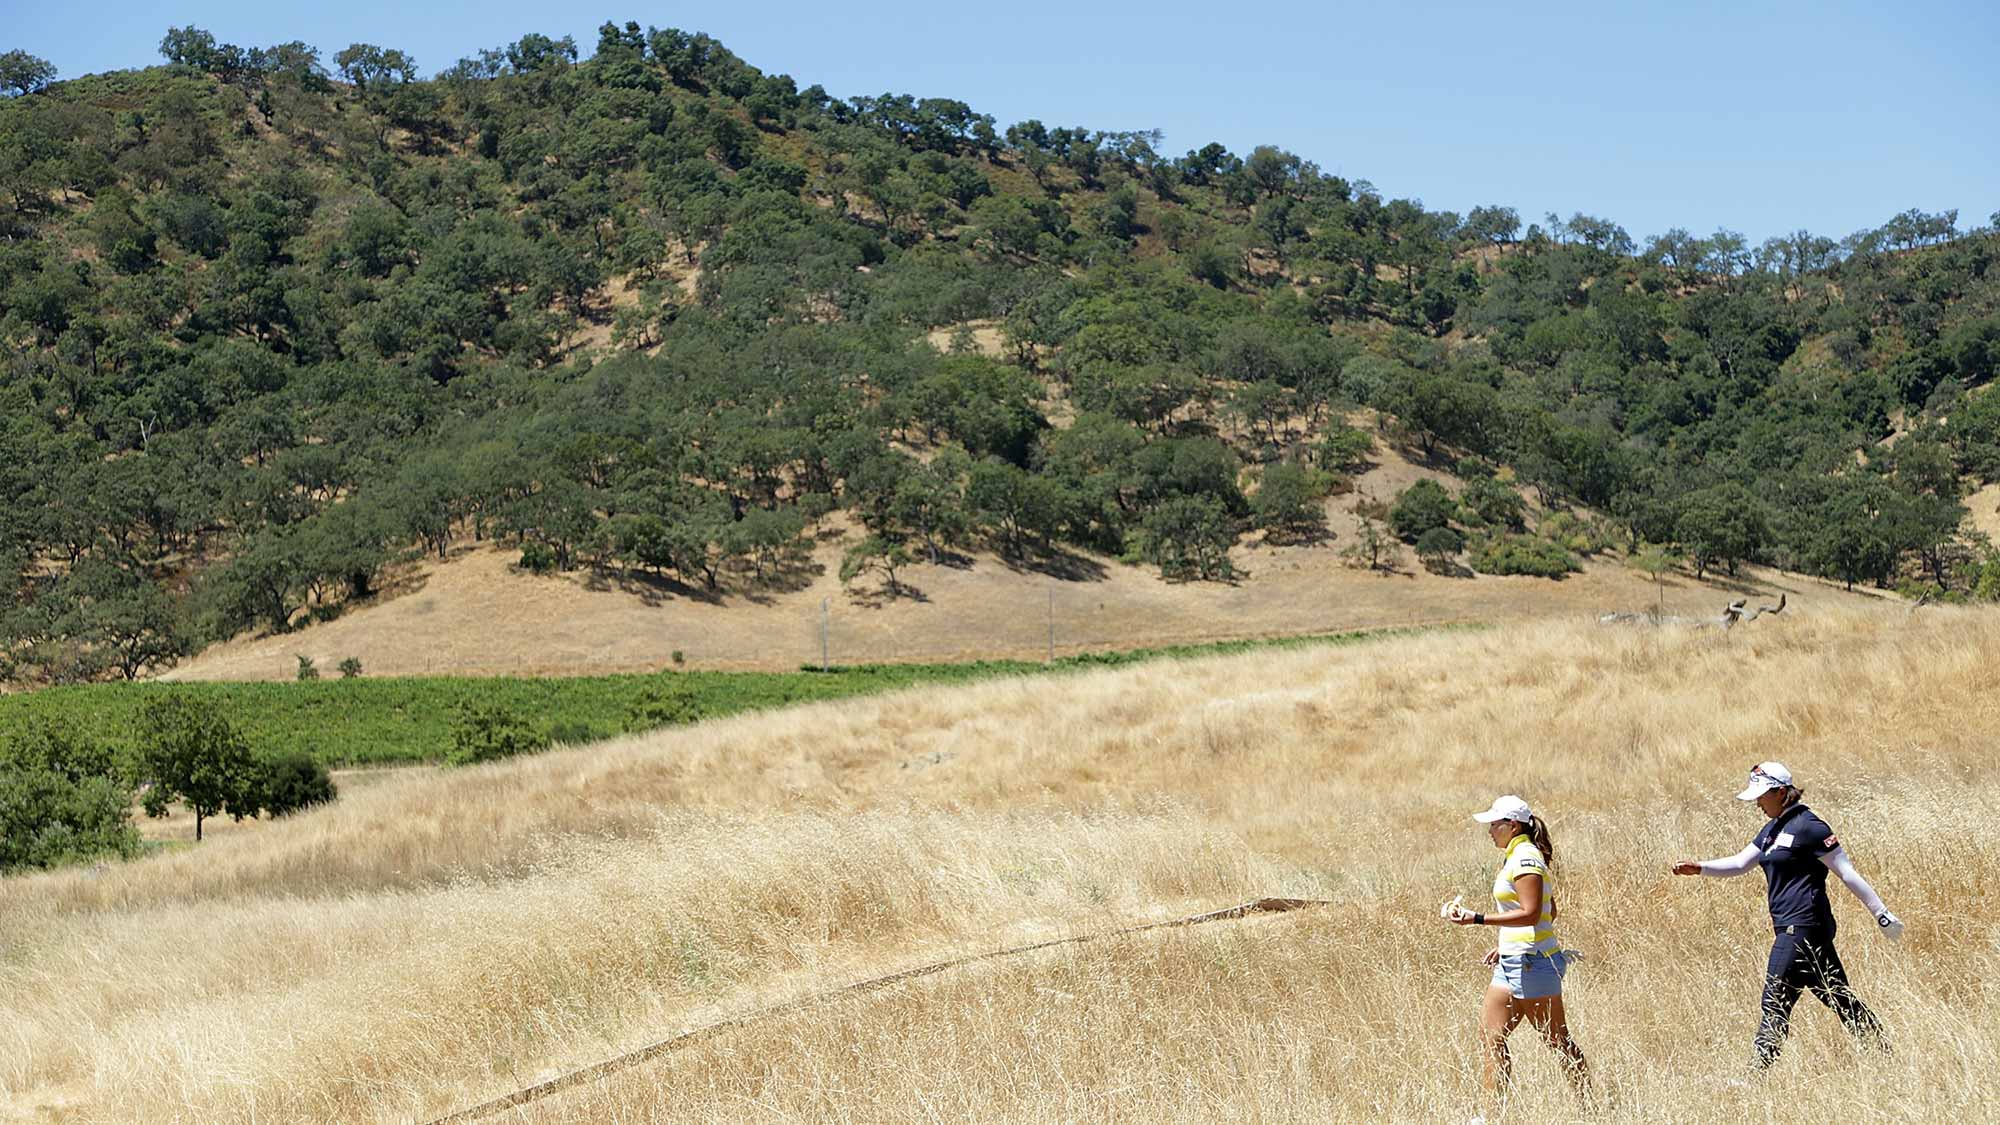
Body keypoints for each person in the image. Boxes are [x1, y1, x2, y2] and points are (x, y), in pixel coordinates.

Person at [1671, 761, 1903, 1069]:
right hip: (1797, 929)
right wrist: (1700, 867)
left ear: (1781, 792)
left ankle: (1754, 1076)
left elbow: (1847, 872)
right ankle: (1886, 1055)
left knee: (1774, 1000)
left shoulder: (1810, 826)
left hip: (1802, 928)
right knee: (1839, 997)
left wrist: (1881, 913)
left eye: (1762, 795)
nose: (1756, 802)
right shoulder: (1772, 828)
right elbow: (1741, 863)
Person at [1443, 795, 1590, 1101]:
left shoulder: (1525, 858)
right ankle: (1494, 1115)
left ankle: (1591, 1108)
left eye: (1494, 824)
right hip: (1515, 960)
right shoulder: (1517, 855)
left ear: (1511, 826)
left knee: (1557, 1040)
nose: (1489, 830)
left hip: (1534, 964)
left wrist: (1477, 919)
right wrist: (1507, 944)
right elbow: (1549, 911)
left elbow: (1534, 913)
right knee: (1490, 1037)